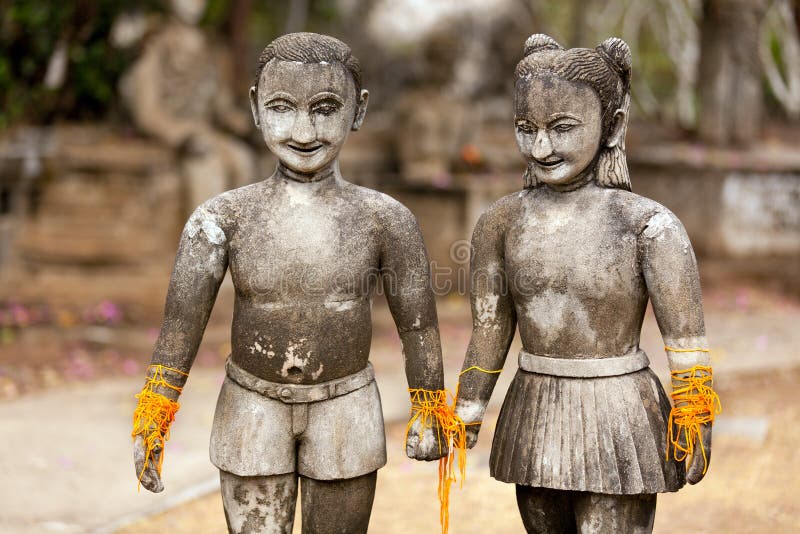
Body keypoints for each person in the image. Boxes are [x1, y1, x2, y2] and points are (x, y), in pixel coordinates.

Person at [131, 32, 445, 534]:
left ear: (357, 110)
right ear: (256, 107)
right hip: (251, 405)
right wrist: (154, 413)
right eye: (282, 107)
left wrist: (428, 405)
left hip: (346, 407)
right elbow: (179, 327)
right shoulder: (223, 218)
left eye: (325, 109)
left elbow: (420, 327)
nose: (303, 130)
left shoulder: (385, 220)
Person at [453, 34, 719, 533]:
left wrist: (695, 417)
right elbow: (490, 328)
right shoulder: (501, 223)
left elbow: (685, 339)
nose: (542, 146)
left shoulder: (648, 225)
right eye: (525, 128)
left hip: (619, 415)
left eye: (562, 128)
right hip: (534, 408)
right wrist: (466, 408)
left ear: (612, 126)